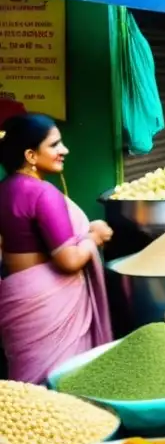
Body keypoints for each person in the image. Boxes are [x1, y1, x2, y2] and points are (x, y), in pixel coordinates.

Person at [0, 114, 114, 384]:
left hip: (16, 294)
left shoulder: (4, 189)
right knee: (63, 381)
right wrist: (94, 237)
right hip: (48, 302)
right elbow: (69, 260)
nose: (64, 150)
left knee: (27, 382)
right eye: (54, 145)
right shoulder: (42, 193)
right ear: (30, 155)